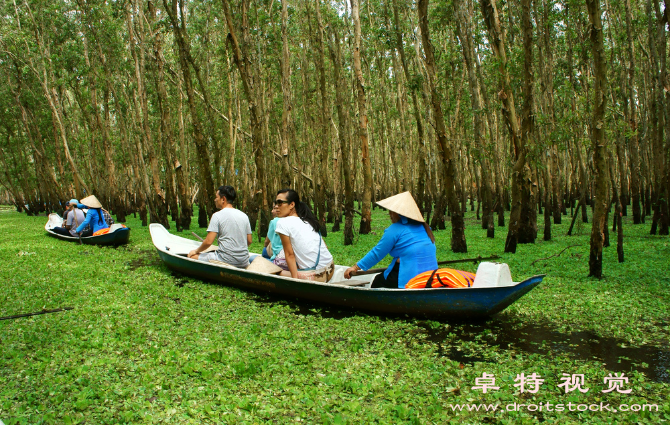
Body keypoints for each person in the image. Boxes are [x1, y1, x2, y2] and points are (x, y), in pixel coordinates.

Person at [343, 191, 437, 289]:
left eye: (392, 212)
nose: (390, 214)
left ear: (400, 213)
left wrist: (355, 267)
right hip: (431, 276)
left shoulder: (395, 229)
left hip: (410, 277)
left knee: (377, 281)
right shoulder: (426, 228)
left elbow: (378, 253)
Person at [273, 189, 334, 282]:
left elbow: (289, 255)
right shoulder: (307, 221)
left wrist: (295, 281)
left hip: (316, 276)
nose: (276, 206)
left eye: (280, 203)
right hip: (331, 269)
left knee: (273, 270)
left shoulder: (283, 223)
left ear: (292, 204)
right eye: (276, 203)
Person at [188, 186, 252, 268]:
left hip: (224, 260)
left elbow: (208, 242)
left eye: (216, 197)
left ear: (223, 199)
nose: (215, 200)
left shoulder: (217, 216)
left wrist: (196, 251)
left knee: (192, 256)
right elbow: (249, 241)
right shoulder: (244, 216)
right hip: (244, 261)